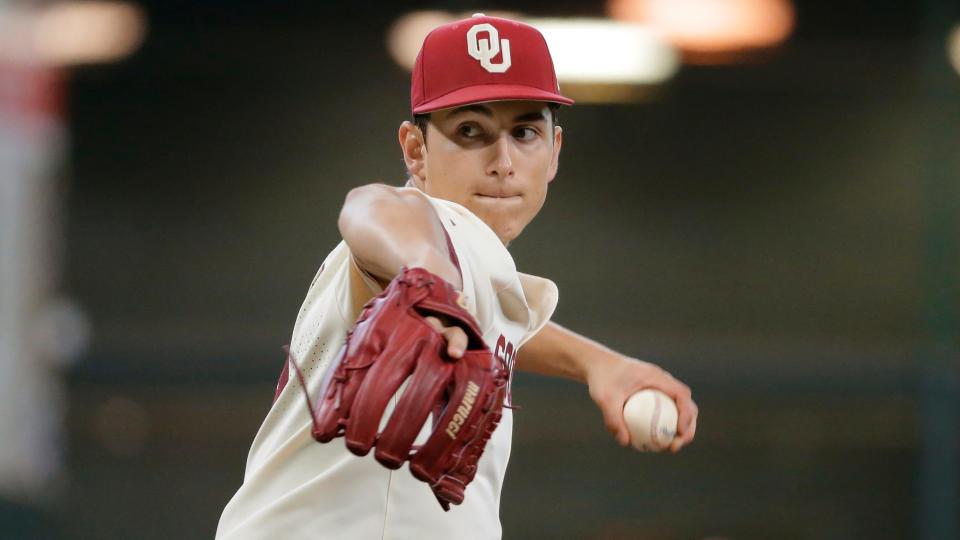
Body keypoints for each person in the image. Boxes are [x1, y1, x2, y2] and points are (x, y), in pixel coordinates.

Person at [216, 13, 697, 540]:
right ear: (415, 151)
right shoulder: (435, 232)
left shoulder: (470, 281)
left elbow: (501, 322)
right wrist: (430, 274)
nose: (503, 160)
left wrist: (599, 363)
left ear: (554, 151)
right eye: (471, 131)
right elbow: (371, 206)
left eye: (525, 132)